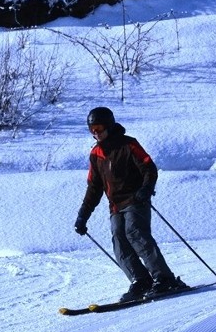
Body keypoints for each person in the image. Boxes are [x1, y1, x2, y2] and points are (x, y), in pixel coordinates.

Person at [74, 106, 185, 302]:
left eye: (98, 128)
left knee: (134, 232)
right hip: (115, 206)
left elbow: (149, 168)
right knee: (119, 238)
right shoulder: (96, 154)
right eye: (92, 129)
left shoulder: (128, 144)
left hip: (136, 199)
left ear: (109, 125)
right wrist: (83, 215)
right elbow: (94, 187)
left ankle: (164, 278)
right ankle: (141, 280)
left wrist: (146, 188)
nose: (95, 133)